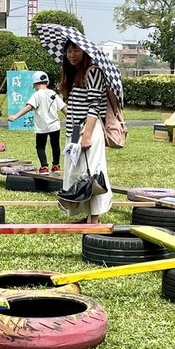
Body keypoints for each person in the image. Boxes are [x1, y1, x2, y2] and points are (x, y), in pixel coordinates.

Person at [59, 41, 113, 224]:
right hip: (75, 129)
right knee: (77, 171)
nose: (71, 54)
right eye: (68, 51)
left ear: (85, 52)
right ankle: (86, 214)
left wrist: (87, 135)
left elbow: (94, 106)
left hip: (88, 128)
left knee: (93, 173)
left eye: (75, 50)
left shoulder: (93, 71)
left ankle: (95, 218)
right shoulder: (75, 74)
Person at [7, 71, 67, 174]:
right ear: (47, 82)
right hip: (54, 126)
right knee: (55, 145)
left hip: (42, 127)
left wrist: (15, 116)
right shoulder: (53, 93)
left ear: (34, 84)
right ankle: (56, 166)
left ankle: (44, 167)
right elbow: (64, 108)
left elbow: (29, 106)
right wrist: (73, 119)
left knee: (40, 146)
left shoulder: (36, 95)